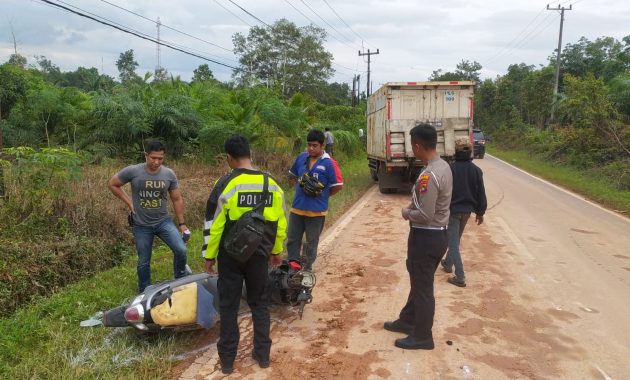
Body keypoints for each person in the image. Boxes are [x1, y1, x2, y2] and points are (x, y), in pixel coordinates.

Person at [202, 135, 287, 375]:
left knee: (229, 307)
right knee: (259, 303)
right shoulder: (272, 184)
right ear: (250, 154)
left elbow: (215, 223)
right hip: (259, 254)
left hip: (231, 255)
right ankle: (263, 356)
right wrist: (276, 250)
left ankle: (227, 361)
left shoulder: (226, 183)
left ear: (229, 158)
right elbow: (280, 222)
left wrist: (209, 256)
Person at [383, 123, 452, 350]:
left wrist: (406, 213)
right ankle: (408, 320)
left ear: (418, 146)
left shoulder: (430, 174)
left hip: (426, 237)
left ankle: (423, 336)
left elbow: (424, 214)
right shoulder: (443, 166)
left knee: (423, 288)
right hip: (435, 236)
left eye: (413, 146)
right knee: (418, 281)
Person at [108, 141, 189, 292]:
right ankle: (145, 290)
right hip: (141, 225)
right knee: (144, 261)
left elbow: (177, 199)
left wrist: (182, 223)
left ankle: (181, 279)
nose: (156, 162)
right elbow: (113, 183)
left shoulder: (168, 174)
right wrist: (129, 202)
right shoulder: (133, 171)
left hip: (163, 222)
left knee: (181, 250)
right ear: (146, 155)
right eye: (153, 158)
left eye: (160, 158)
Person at [286, 129, 343, 270]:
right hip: (297, 208)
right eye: (309, 145)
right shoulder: (301, 158)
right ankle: (293, 267)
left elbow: (338, 185)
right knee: (293, 239)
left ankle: (306, 270)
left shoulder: (329, 163)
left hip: (316, 212)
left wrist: (323, 195)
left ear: (322, 146)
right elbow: (292, 175)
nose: (311, 148)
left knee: (311, 242)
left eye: (314, 145)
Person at [441, 138, 487, 287]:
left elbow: (443, 191)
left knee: (453, 242)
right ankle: (448, 264)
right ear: (470, 151)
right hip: (467, 212)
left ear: (456, 150)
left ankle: (460, 276)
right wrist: (480, 212)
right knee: (455, 239)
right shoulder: (476, 171)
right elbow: (481, 193)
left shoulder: (450, 168)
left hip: (453, 211)